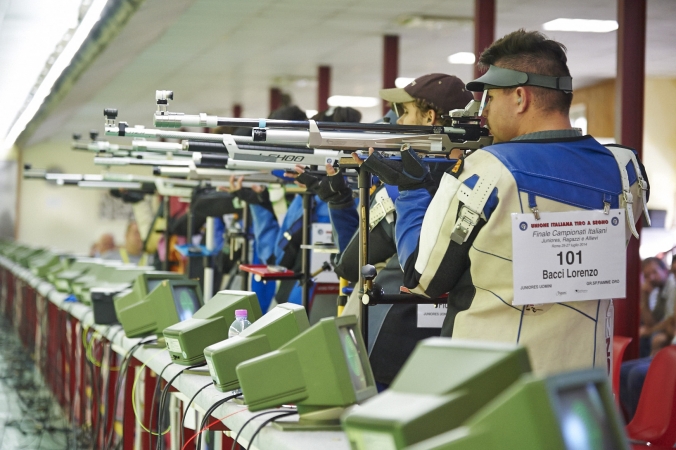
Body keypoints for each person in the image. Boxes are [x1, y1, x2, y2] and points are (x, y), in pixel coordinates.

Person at [359, 29, 649, 375]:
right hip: (582, 383)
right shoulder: (624, 169)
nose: (484, 114)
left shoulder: (489, 170)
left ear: (519, 97)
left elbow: (422, 279)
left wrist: (410, 192)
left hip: (489, 384)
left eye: (490, 99)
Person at [638, 257, 676, 356]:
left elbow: (670, 322)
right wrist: (644, 297)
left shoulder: (672, 286)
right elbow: (650, 322)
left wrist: (649, 331)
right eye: (647, 276)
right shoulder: (659, 290)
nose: (651, 278)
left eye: (654, 272)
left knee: (652, 337)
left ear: (665, 271)